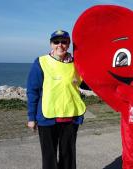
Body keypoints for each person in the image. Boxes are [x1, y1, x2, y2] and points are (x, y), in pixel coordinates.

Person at [26, 30, 86, 169]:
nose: (60, 45)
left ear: (69, 44)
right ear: (51, 44)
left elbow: (89, 82)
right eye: (56, 42)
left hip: (71, 118)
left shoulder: (77, 64)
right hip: (47, 118)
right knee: (49, 158)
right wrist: (31, 118)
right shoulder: (41, 62)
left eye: (64, 42)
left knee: (68, 157)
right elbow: (32, 91)